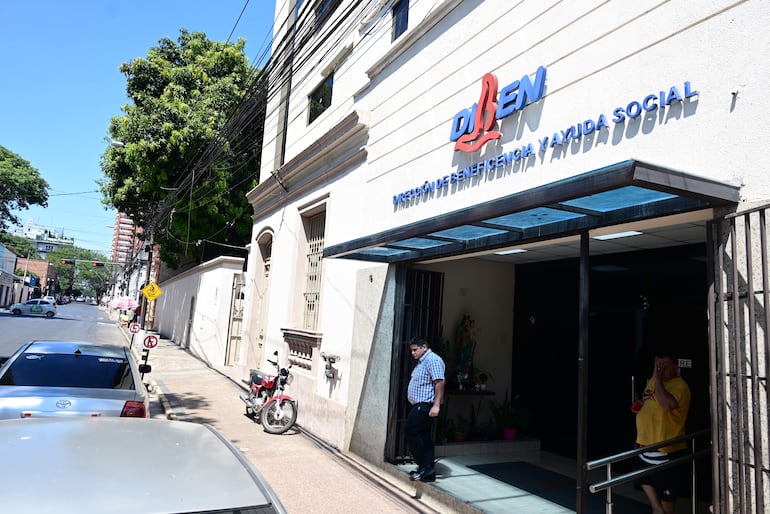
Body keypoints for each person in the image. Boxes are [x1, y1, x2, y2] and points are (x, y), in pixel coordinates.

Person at [633, 350, 691, 514]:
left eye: (663, 367)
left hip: (665, 449)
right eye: (656, 366)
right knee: (641, 474)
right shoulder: (653, 381)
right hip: (645, 444)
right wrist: (641, 406)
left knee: (667, 496)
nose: (659, 370)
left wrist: (657, 379)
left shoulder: (681, 387)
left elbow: (667, 405)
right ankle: (656, 508)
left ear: (675, 366)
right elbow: (648, 399)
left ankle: (660, 509)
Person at [404, 336, 445, 483]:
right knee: (424, 436)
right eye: (412, 350)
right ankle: (428, 472)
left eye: (415, 350)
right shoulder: (422, 362)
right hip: (420, 404)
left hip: (426, 404)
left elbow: (439, 382)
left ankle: (424, 466)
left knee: (410, 430)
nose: (413, 353)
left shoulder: (432, 360)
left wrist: (436, 405)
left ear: (424, 347)